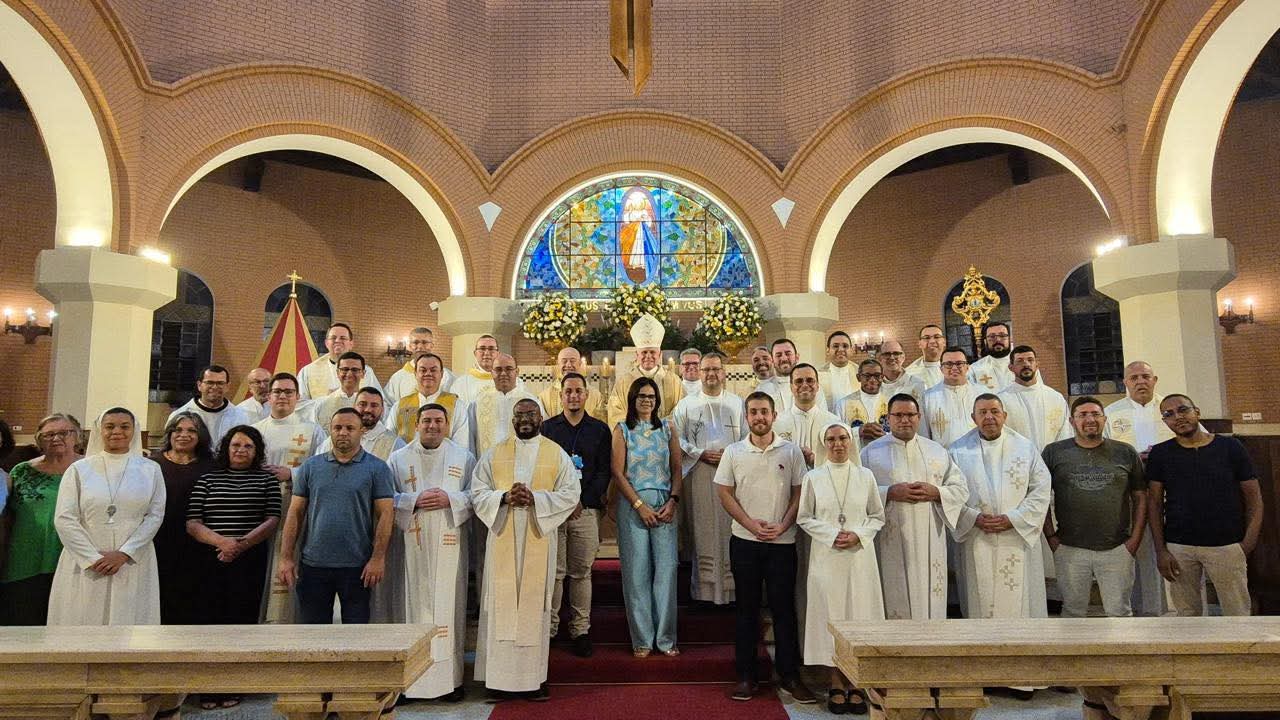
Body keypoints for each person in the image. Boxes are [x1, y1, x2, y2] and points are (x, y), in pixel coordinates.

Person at [471, 399, 580, 701]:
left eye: (530, 414)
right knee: (501, 604)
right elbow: (477, 492)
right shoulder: (494, 453)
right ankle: (498, 680)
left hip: (537, 532)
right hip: (503, 532)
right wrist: (504, 497)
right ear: (513, 420)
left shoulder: (556, 453)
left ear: (541, 418)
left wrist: (537, 500)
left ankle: (533, 680)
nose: (525, 419)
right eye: (519, 415)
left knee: (535, 605)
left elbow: (571, 493)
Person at [714, 392, 815, 704]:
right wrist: (749, 523)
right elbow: (724, 491)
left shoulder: (790, 451)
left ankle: (789, 675)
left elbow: (800, 491)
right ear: (747, 417)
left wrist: (783, 525)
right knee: (746, 609)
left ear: (774, 415)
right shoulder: (734, 451)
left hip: (782, 542)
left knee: (784, 610)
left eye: (764, 412)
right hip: (745, 541)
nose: (759, 417)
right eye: (754, 412)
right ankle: (746, 675)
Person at [185, 425, 282, 710]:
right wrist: (222, 543)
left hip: (249, 560)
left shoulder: (266, 480)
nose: (241, 450)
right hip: (210, 559)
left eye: (248, 446)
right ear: (226, 448)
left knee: (241, 621)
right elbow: (193, 522)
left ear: (257, 451)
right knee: (209, 622)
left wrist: (240, 545)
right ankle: (208, 686)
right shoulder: (208, 479)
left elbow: (272, 519)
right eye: (236, 445)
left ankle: (234, 683)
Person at [387, 403, 475, 701]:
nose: (432, 426)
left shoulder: (463, 457)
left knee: (448, 608)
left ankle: (450, 682)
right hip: (411, 547)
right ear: (417, 425)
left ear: (447, 426)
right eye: (426, 421)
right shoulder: (398, 458)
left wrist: (451, 498)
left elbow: (475, 496)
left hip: (450, 545)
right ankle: (410, 683)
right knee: (412, 607)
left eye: (438, 421)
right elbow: (387, 497)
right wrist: (413, 500)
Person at [1146, 394, 1262, 617]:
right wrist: (1161, 550)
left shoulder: (1230, 447)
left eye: (1183, 410)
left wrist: (1247, 542)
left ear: (1196, 412)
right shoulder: (1160, 454)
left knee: (1237, 613)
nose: (1178, 417)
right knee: (1187, 615)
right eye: (1169, 414)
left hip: (1226, 544)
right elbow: (1154, 504)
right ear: (1165, 421)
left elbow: (1254, 498)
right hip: (1179, 546)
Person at [47, 408, 166, 625]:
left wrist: (125, 553)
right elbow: (64, 518)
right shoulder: (79, 469)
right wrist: (92, 557)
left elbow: (155, 515)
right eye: (110, 426)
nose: (117, 432)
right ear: (99, 430)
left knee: (129, 621)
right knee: (83, 618)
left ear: (134, 430)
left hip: (132, 558)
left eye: (124, 426)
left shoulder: (151, 469)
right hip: (87, 559)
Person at [277, 408, 395, 624]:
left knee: (355, 635)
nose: (343, 432)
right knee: (313, 634)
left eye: (350, 428)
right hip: (314, 564)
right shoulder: (311, 466)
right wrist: (286, 557)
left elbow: (386, 515)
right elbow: (295, 513)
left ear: (361, 431)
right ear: (330, 430)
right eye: (337, 427)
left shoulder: (377, 468)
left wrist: (378, 558)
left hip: (357, 566)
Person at [798, 423, 884, 716]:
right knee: (831, 616)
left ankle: (857, 683)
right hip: (827, 557)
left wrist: (858, 534)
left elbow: (877, 516)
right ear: (824, 444)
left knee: (859, 615)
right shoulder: (813, 477)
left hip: (859, 558)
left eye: (843, 438)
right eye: (831, 439)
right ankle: (835, 682)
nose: (837, 444)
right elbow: (804, 517)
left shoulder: (865, 476)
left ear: (851, 441)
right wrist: (832, 534)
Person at [861, 394, 968, 620]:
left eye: (910, 415)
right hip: (889, 537)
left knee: (930, 599)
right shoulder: (870, 452)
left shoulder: (936, 450)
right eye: (898, 415)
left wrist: (937, 492)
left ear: (919, 417)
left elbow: (960, 489)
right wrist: (889, 492)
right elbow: (858, 492)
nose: (904, 420)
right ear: (888, 418)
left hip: (930, 539)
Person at [949, 395, 1051, 625]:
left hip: (1016, 533)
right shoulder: (957, 450)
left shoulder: (1025, 447)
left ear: (1004, 415)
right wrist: (973, 517)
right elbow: (950, 493)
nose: (989, 417)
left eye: (994, 411)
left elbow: (1041, 488)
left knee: (1021, 602)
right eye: (982, 412)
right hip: (977, 535)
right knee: (981, 599)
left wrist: (1014, 518)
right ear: (973, 417)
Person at [1041, 397, 1146, 618]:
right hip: (1069, 547)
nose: (1090, 419)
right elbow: (1039, 496)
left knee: (1119, 612)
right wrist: (1051, 537)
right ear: (1072, 421)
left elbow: (1140, 496)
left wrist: (1134, 539)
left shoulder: (1125, 452)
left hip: (1117, 547)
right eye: (1083, 415)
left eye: (1096, 414)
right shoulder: (1054, 452)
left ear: (1104, 419)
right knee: (1072, 612)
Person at [611, 377, 683, 658]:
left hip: (665, 505)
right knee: (636, 573)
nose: (647, 401)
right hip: (633, 505)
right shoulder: (622, 430)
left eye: (651, 396)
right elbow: (617, 472)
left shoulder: (667, 428)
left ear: (657, 400)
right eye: (641, 396)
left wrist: (673, 500)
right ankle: (642, 639)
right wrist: (639, 505)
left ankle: (666, 638)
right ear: (632, 399)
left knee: (666, 571)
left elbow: (677, 468)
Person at [542, 372, 613, 656]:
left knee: (581, 572)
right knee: (556, 572)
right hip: (555, 511)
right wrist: (563, 502)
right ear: (561, 396)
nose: (573, 396)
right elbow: (543, 470)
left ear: (586, 395)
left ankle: (580, 629)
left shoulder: (599, 430)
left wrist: (581, 500)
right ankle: (550, 628)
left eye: (578, 391)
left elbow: (604, 471)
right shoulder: (548, 429)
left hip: (585, 510)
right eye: (568, 391)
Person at [252, 372, 328, 623]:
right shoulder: (255, 431)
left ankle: (287, 619)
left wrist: (292, 473)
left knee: (288, 558)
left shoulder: (312, 431)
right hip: (260, 508)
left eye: (288, 392)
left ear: (298, 397)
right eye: (277, 391)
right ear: (269, 396)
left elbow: (323, 469)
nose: (282, 396)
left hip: (295, 507)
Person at [671, 351, 744, 605]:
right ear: (699, 373)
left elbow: (747, 436)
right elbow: (676, 438)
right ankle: (703, 590)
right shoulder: (685, 405)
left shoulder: (738, 404)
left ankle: (731, 589)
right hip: (699, 473)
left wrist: (730, 454)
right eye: (706, 370)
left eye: (715, 369)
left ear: (724, 373)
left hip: (731, 474)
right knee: (702, 529)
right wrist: (699, 453)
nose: (711, 374)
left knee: (728, 529)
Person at [1104, 360, 1173, 616]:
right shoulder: (1111, 413)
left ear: (1155, 380)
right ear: (1125, 383)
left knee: (1174, 551)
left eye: (1145, 376)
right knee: (1140, 552)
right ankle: (1144, 611)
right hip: (1131, 497)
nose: (1140, 381)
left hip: (1173, 497)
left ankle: (1179, 612)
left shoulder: (1172, 408)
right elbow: (1102, 452)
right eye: (1134, 378)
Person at [0, 414, 82, 625]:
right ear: (39, 440)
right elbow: (6, 516)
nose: (56, 438)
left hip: (73, 560)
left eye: (64, 432)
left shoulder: (90, 470)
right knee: (22, 627)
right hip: (24, 560)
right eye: (49, 434)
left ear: (77, 436)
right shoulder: (22, 471)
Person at [152, 412, 215, 624]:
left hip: (199, 544)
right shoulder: (152, 464)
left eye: (191, 431)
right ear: (169, 433)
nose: (183, 435)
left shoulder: (211, 466)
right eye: (178, 430)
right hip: (160, 541)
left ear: (201, 436)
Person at [607, 315, 684, 425]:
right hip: (633, 434)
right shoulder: (624, 382)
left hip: (665, 433)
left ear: (660, 354)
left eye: (652, 352)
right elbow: (615, 412)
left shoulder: (674, 381)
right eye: (644, 352)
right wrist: (637, 428)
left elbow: (681, 410)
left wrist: (659, 428)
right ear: (637, 355)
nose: (648, 356)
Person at [470, 353, 545, 458]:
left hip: (522, 462)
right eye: (498, 369)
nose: (503, 373)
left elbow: (540, 436)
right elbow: (471, 438)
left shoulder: (532, 402)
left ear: (517, 372)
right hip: (487, 464)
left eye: (509, 369)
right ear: (492, 372)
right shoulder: (478, 402)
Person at [388, 353, 469, 449]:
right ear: (415, 374)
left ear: (442, 374)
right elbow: (389, 441)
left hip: (445, 458)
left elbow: (461, 447)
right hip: (407, 458)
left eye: (433, 370)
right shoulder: (400, 406)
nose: (428, 374)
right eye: (423, 370)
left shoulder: (456, 405)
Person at [998, 346, 1071, 451]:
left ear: (1037, 364)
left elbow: (1065, 433)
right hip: (1018, 458)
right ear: (1011, 367)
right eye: (1020, 361)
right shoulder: (1002, 400)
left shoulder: (1055, 398)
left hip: (1052, 458)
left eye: (1030, 360)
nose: (1026, 364)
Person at [772, 363, 840, 469]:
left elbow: (840, 461)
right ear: (791, 387)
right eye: (799, 381)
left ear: (817, 386)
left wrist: (816, 461)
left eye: (810, 380)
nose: (804, 385)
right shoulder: (777, 423)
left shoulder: (833, 422)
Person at [167, 364, 252, 447]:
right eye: (209, 382)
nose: (214, 387)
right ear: (199, 385)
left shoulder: (241, 416)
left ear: (227, 386)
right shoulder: (179, 415)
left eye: (220, 383)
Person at [297, 322, 382, 401]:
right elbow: (300, 404)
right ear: (326, 343)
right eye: (333, 338)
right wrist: (326, 401)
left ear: (351, 344)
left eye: (343, 338)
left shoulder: (366, 372)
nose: (337, 341)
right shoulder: (308, 371)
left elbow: (379, 402)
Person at [319, 387, 405, 459]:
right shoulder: (332, 441)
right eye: (362, 404)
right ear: (354, 406)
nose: (368, 409)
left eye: (374, 405)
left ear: (382, 410)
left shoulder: (395, 444)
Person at [383, 327, 456, 409]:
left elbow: (454, 403)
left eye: (425, 342)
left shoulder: (447, 376)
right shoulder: (397, 378)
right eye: (415, 342)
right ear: (410, 346)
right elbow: (387, 406)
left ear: (431, 346)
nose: (420, 346)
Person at [920, 347, 979, 447]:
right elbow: (924, 435)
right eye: (948, 364)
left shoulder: (981, 393)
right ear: (941, 369)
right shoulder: (928, 397)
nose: (954, 368)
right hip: (942, 454)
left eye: (959, 363)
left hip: (976, 452)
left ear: (967, 367)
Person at [756, 338, 829, 413]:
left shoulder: (811, 386)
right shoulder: (763, 390)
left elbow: (822, 415)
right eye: (778, 355)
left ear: (797, 357)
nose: (784, 358)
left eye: (788, 354)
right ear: (772, 360)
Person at [834, 358, 889, 450]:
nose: (872, 380)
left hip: (885, 454)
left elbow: (899, 432)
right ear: (858, 377)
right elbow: (836, 433)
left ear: (882, 377)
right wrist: (858, 431)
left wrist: (885, 435)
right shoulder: (843, 404)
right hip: (857, 455)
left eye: (877, 375)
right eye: (867, 375)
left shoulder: (891, 403)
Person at [538, 346, 605, 420]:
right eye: (564, 361)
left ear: (580, 363)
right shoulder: (544, 397)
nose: (568, 365)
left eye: (572, 361)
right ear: (558, 363)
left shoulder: (596, 395)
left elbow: (600, 423)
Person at [306, 351, 369, 425]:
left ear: (363, 373)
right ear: (338, 373)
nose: (349, 374)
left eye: (355, 370)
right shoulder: (323, 404)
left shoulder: (370, 405)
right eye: (345, 369)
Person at [450, 335, 513, 407]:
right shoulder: (460, 384)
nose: (486, 353)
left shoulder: (513, 382)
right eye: (482, 348)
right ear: (475, 353)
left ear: (498, 353)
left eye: (491, 349)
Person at [966, 322, 1015, 391]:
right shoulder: (974, 369)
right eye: (992, 336)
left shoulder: (1021, 364)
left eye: (1002, 335)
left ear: (1010, 339)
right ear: (985, 342)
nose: (998, 340)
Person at [819, 331, 857, 408]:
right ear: (828, 350)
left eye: (845, 346)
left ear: (851, 350)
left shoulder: (860, 372)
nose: (840, 349)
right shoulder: (818, 374)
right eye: (835, 346)